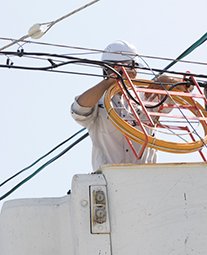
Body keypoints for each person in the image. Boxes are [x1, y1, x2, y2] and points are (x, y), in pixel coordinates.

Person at [70, 40, 188, 170]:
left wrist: (169, 80)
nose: (133, 73)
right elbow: (79, 109)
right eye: (128, 68)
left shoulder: (147, 96)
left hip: (146, 177)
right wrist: (108, 83)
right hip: (108, 178)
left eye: (134, 67)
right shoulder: (98, 100)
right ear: (108, 70)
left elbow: (186, 90)